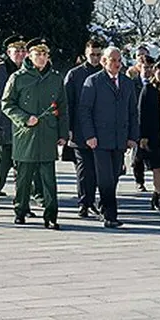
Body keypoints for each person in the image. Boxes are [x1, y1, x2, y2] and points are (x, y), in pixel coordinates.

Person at [1, 38, 68, 229]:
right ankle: (20, 210)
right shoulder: (18, 78)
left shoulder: (55, 78)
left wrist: (63, 133)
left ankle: (51, 214)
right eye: (37, 54)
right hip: (26, 134)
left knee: (49, 179)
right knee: (23, 177)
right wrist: (23, 118)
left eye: (45, 54)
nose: (42, 58)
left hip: (47, 134)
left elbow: (63, 108)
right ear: (30, 56)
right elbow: (7, 104)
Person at [0, 35, 42, 217]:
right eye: (17, 51)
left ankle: (23, 207)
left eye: (24, 51)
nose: (21, 54)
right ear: (9, 52)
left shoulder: (32, 71)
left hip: (25, 131)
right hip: (4, 130)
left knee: (24, 173)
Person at [79, 46, 139, 229]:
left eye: (119, 60)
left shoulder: (127, 83)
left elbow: (133, 112)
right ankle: (110, 215)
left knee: (114, 176)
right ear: (104, 62)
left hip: (119, 138)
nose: (117, 64)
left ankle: (104, 206)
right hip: (100, 138)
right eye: (113, 60)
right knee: (105, 177)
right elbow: (85, 110)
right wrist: (89, 135)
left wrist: (132, 137)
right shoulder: (93, 81)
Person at [64, 39, 103, 218]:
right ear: (85, 54)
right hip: (79, 130)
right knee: (84, 168)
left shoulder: (106, 74)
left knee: (98, 168)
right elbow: (67, 104)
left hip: (101, 129)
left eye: (98, 54)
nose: (95, 58)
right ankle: (84, 202)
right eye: (92, 55)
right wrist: (68, 128)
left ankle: (94, 200)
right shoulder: (74, 75)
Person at [139, 60, 160, 212]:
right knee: (157, 167)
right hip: (152, 134)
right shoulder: (148, 89)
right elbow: (142, 113)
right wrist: (143, 135)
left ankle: (156, 195)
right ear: (154, 73)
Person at [130, 55, 155, 192]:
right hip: (136, 121)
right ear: (139, 67)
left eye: (151, 67)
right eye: (145, 67)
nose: (148, 70)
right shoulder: (132, 83)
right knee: (138, 154)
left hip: (152, 122)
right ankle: (139, 181)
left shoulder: (156, 83)